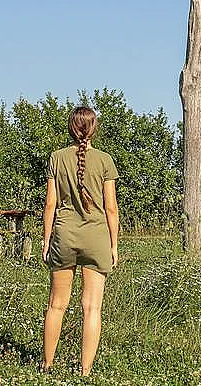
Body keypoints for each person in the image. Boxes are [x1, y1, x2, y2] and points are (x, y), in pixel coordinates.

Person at [40, 106, 119, 376]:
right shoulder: (105, 160)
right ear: (94, 128)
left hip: (64, 235)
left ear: (71, 128)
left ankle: (47, 365)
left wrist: (46, 240)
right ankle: (85, 371)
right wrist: (114, 245)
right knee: (92, 308)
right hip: (97, 237)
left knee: (56, 305)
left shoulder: (56, 158)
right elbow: (111, 209)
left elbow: (50, 204)